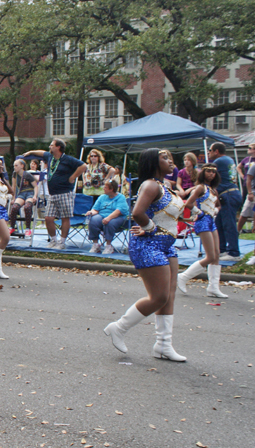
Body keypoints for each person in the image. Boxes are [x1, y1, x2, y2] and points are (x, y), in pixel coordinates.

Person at [103, 148, 186, 362]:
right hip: (149, 245)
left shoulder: (165, 186)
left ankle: (163, 345)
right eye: (164, 158)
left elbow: (168, 214)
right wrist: (150, 228)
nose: (170, 161)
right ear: (153, 162)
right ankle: (119, 328)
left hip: (167, 245)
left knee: (169, 295)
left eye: (170, 157)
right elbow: (137, 212)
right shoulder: (150, 185)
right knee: (159, 297)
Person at [23, 139, 87, 249]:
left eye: (52, 145)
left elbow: (83, 166)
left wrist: (73, 177)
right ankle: (53, 240)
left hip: (65, 193)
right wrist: (30, 152)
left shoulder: (67, 159)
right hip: (52, 194)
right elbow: (41, 152)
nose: (49, 146)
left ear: (58, 147)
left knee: (65, 218)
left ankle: (62, 242)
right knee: (48, 218)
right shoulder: (50, 157)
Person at [176, 163, 228, 298]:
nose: (211, 174)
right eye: (208, 171)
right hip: (203, 221)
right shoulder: (200, 188)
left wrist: (215, 211)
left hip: (211, 221)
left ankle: (213, 287)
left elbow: (218, 205)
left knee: (216, 254)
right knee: (210, 256)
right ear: (203, 172)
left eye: (214, 172)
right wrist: (199, 213)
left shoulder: (213, 190)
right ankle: (183, 276)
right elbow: (188, 203)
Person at [209, 142, 242, 261]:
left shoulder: (218, 161)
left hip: (228, 194)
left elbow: (209, 175)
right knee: (219, 223)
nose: (208, 152)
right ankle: (222, 249)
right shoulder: (229, 159)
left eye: (210, 150)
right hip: (231, 193)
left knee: (229, 224)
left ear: (216, 151)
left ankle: (234, 253)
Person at [86, 180, 129, 254]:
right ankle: (95, 244)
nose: (103, 188)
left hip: (118, 217)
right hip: (102, 215)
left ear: (111, 189)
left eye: (105, 187)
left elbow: (119, 211)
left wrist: (108, 218)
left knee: (110, 222)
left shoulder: (121, 197)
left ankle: (108, 246)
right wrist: (91, 212)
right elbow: (95, 209)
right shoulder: (102, 197)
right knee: (93, 220)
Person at [237, 145, 255, 233]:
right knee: (245, 212)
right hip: (253, 190)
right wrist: (243, 176)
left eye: (250, 148)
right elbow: (240, 169)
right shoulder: (248, 160)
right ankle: (237, 231)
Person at [9, 158, 38, 237]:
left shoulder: (27, 174)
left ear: (22, 166)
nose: (14, 167)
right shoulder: (14, 174)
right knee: (14, 207)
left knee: (27, 207)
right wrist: (13, 198)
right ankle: (12, 227)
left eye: (16, 165)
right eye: (14, 166)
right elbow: (13, 186)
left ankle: (28, 228)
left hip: (30, 192)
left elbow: (35, 186)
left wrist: (35, 196)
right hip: (21, 193)